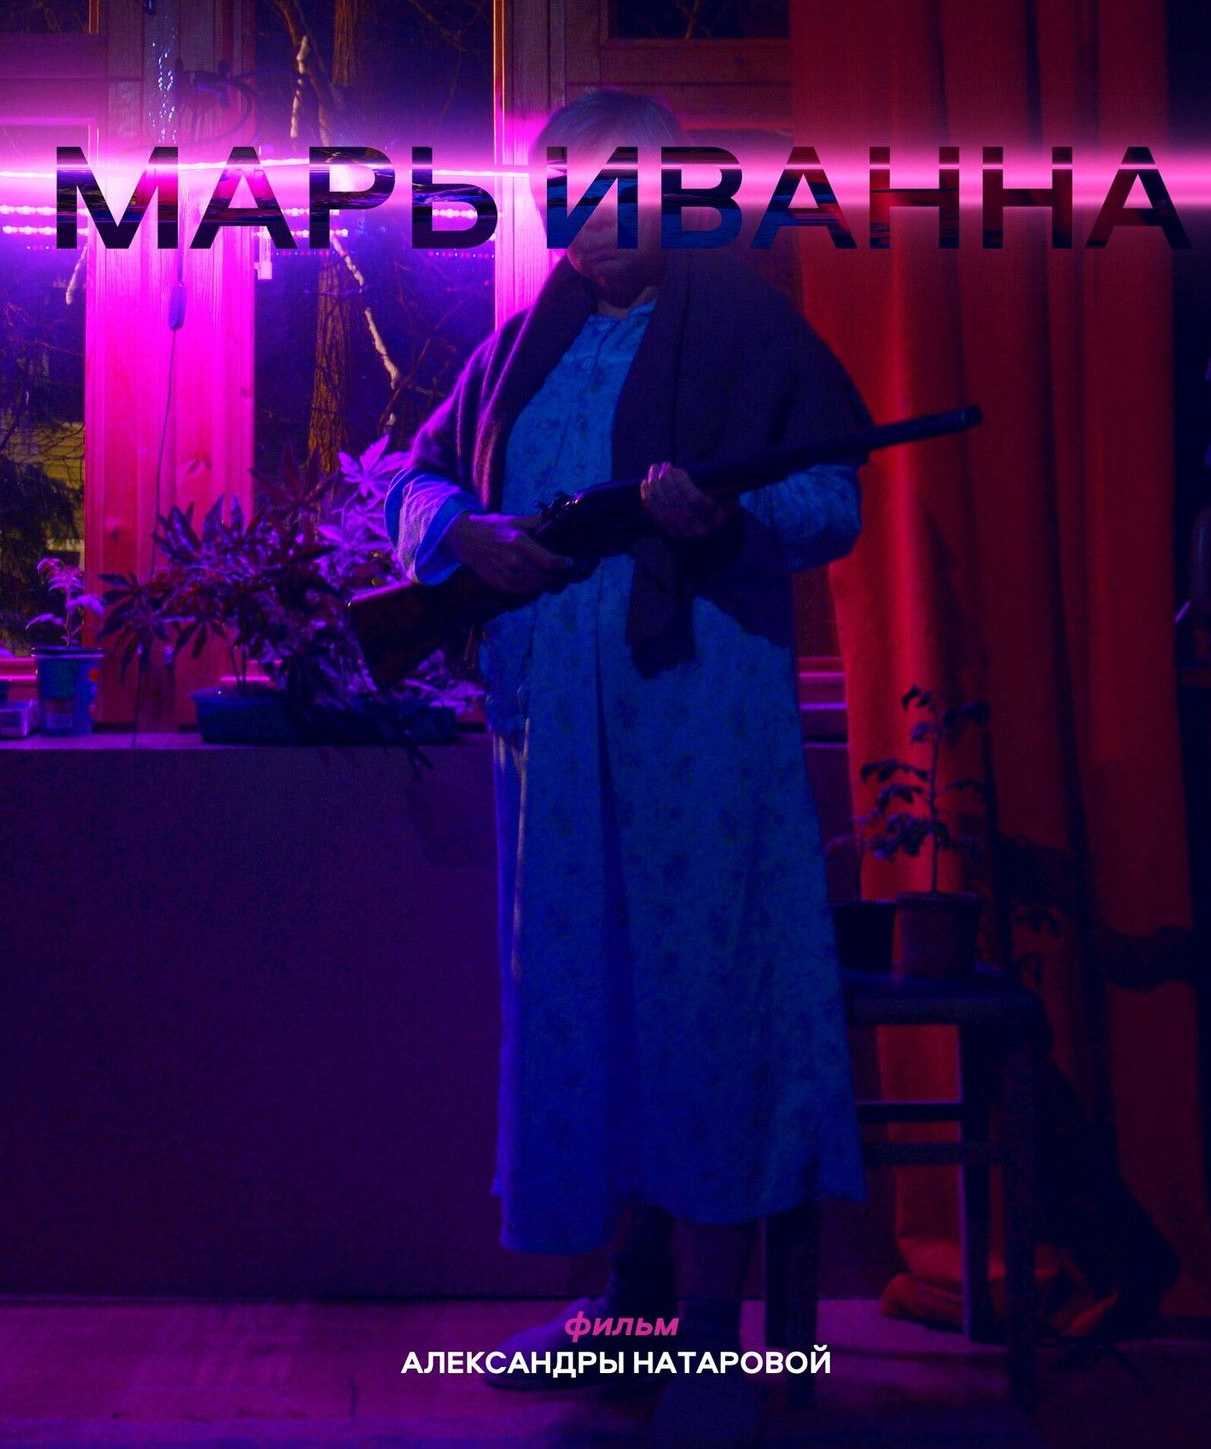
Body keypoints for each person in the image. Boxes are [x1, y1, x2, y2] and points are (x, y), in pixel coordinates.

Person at [385, 91, 868, 1446]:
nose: (589, 224)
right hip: (552, 737)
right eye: (565, 198)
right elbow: (412, 479)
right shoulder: (518, 348)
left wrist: (721, 517)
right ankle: (629, 1309)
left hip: (697, 723)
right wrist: (462, 533)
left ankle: (710, 1336)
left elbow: (831, 500)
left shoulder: (749, 325)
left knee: (703, 1003)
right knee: (593, 1003)